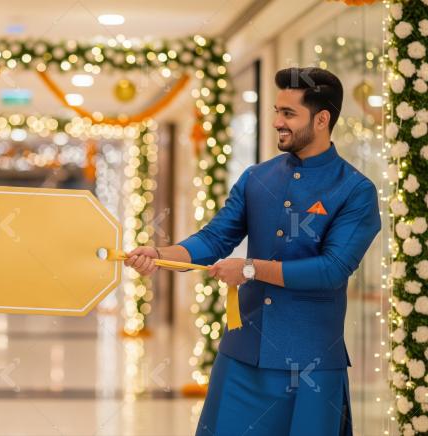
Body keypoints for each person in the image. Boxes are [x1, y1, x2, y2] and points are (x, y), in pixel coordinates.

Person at [126, 67, 380, 435]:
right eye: (277, 111)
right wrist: (160, 254)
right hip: (242, 357)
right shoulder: (257, 177)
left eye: (288, 114)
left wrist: (250, 269)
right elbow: (214, 239)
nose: (277, 121)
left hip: (310, 365)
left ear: (322, 119)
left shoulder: (356, 190)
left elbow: (332, 269)